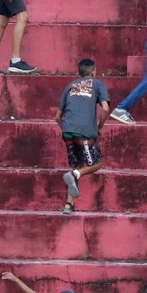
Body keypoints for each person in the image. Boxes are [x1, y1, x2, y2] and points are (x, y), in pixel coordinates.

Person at [55, 59, 110, 215]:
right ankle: (74, 175)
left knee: (78, 164)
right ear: (93, 72)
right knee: (97, 163)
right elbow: (105, 109)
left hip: (67, 131)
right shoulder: (98, 84)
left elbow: (57, 117)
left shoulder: (69, 86)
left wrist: (67, 129)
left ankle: (68, 205)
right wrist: (99, 127)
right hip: (85, 132)